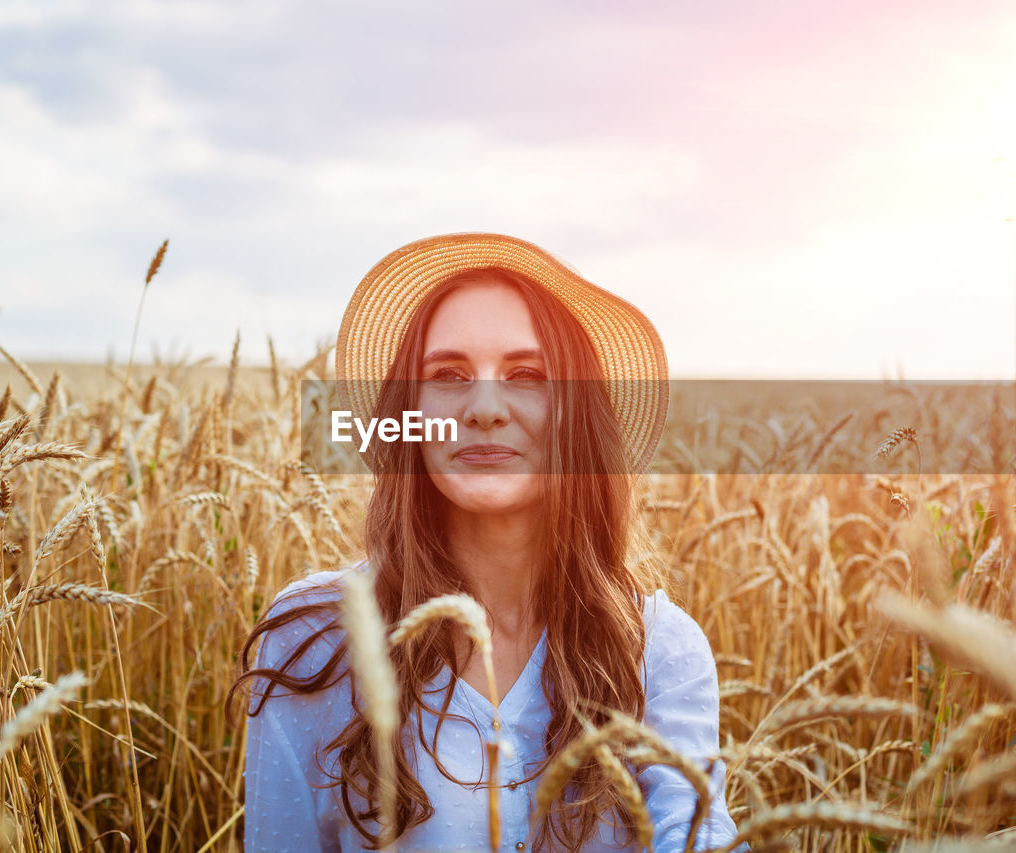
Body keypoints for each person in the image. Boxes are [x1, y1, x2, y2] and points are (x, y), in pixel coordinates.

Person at [230, 233, 744, 852]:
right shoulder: (312, 636)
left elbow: (693, 835)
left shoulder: (659, 650)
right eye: (448, 374)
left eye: (526, 374)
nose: (484, 407)